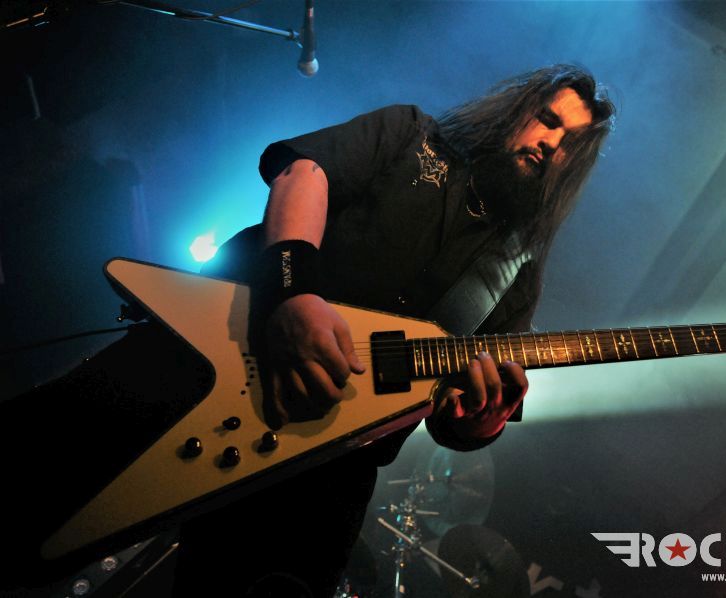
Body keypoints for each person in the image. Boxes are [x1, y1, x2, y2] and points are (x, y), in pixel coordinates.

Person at [0, 64, 615, 597]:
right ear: (516, 111)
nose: (550, 143)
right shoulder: (412, 134)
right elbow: (303, 175)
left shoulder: (517, 272)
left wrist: (480, 422)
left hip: (328, 462)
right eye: (547, 120)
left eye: (569, 143)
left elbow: (453, 412)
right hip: (220, 349)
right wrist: (292, 294)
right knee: (34, 476)